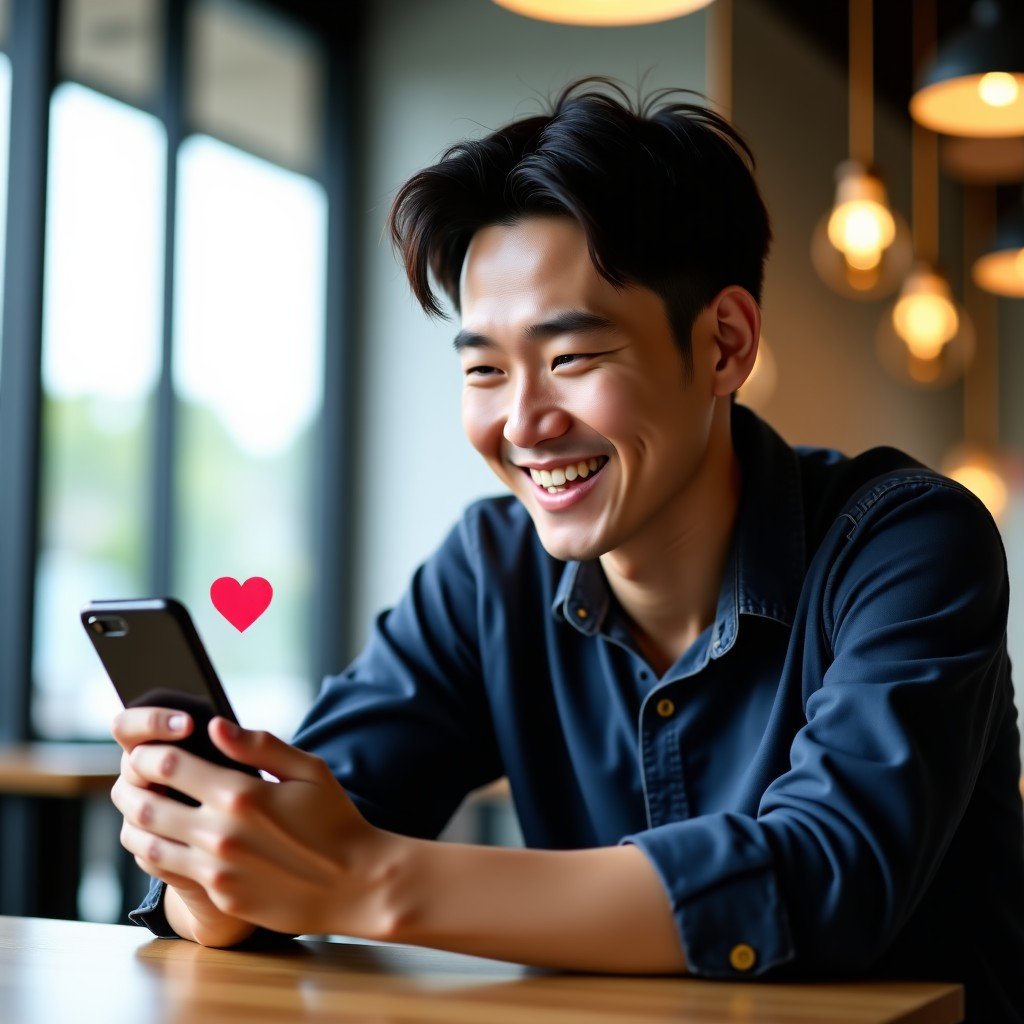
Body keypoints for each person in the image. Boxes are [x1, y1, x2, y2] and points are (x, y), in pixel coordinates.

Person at [110, 77, 1024, 1021]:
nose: (523, 422)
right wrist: (218, 868)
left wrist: (365, 880)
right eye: (483, 370)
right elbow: (320, 816)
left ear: (724, 345)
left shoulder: (908, 539)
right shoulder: (490, 570)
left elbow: (827, 877)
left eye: (572, 358)